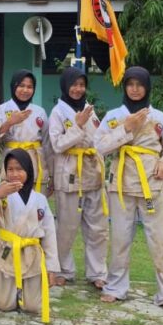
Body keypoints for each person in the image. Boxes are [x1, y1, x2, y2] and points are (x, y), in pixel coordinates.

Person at [95, 66, 163, 314]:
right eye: (130, 84)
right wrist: (126, 128)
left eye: (139, 85)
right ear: (125, 87)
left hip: (152, 184)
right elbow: (99, 146)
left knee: (161, 240)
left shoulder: (159, 118)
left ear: (147, 87)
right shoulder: (114, 116)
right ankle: (115, 286)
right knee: (120, 239)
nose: (135, 89)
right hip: (121, 185)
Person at [0, 148, 59, 322]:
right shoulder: (1, 193)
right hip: (8, 251)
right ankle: (10, 294)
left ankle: (24, 294)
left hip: (32, 253)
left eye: (19, 169)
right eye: (10, 169)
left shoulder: (40, 199)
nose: (14, 174)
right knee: (2, 304)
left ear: (29, 171)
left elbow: (49, 234)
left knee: (33, 306)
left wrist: (51, 268)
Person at [48, 66, 107, 289]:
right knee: (66, 227)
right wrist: (78, 125)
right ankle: (64, 269)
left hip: (92, 173)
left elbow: (99, 139)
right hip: (69, 174)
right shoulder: (58, 112)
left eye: (82, 85)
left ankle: (97, 273)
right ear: (65, 85)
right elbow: (57, 145)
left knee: (97, 228)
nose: (78, 89)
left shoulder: (90, 110)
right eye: (73, 84)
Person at [0, 69, 51, 195]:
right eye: (21, 85)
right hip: (11, 161)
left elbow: (47, 143)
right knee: (11, 202)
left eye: (29, 87)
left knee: (36, 202)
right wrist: (9, 122)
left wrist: (51, 173)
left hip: (35, 162)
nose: (25, 90)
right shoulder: (1, 110)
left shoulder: (40, 112)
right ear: (14, 86)